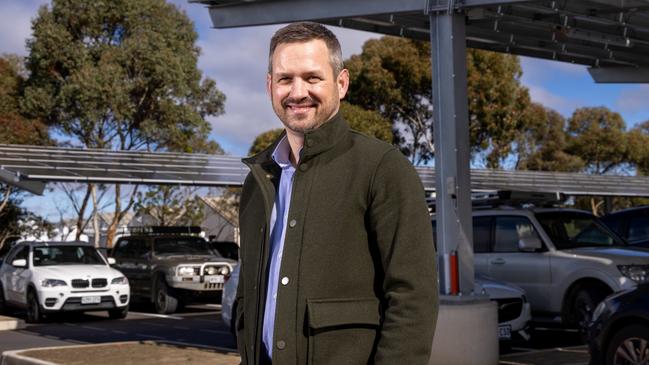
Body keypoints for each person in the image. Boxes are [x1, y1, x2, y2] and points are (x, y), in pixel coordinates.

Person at [237, 22, 438, 365]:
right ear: (270, 85)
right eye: (285, 79)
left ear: (341, 83)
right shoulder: (257, 181)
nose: (297, 92)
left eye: (312, 77)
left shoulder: (383, 169)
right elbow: (250, 293)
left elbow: (412, 298)